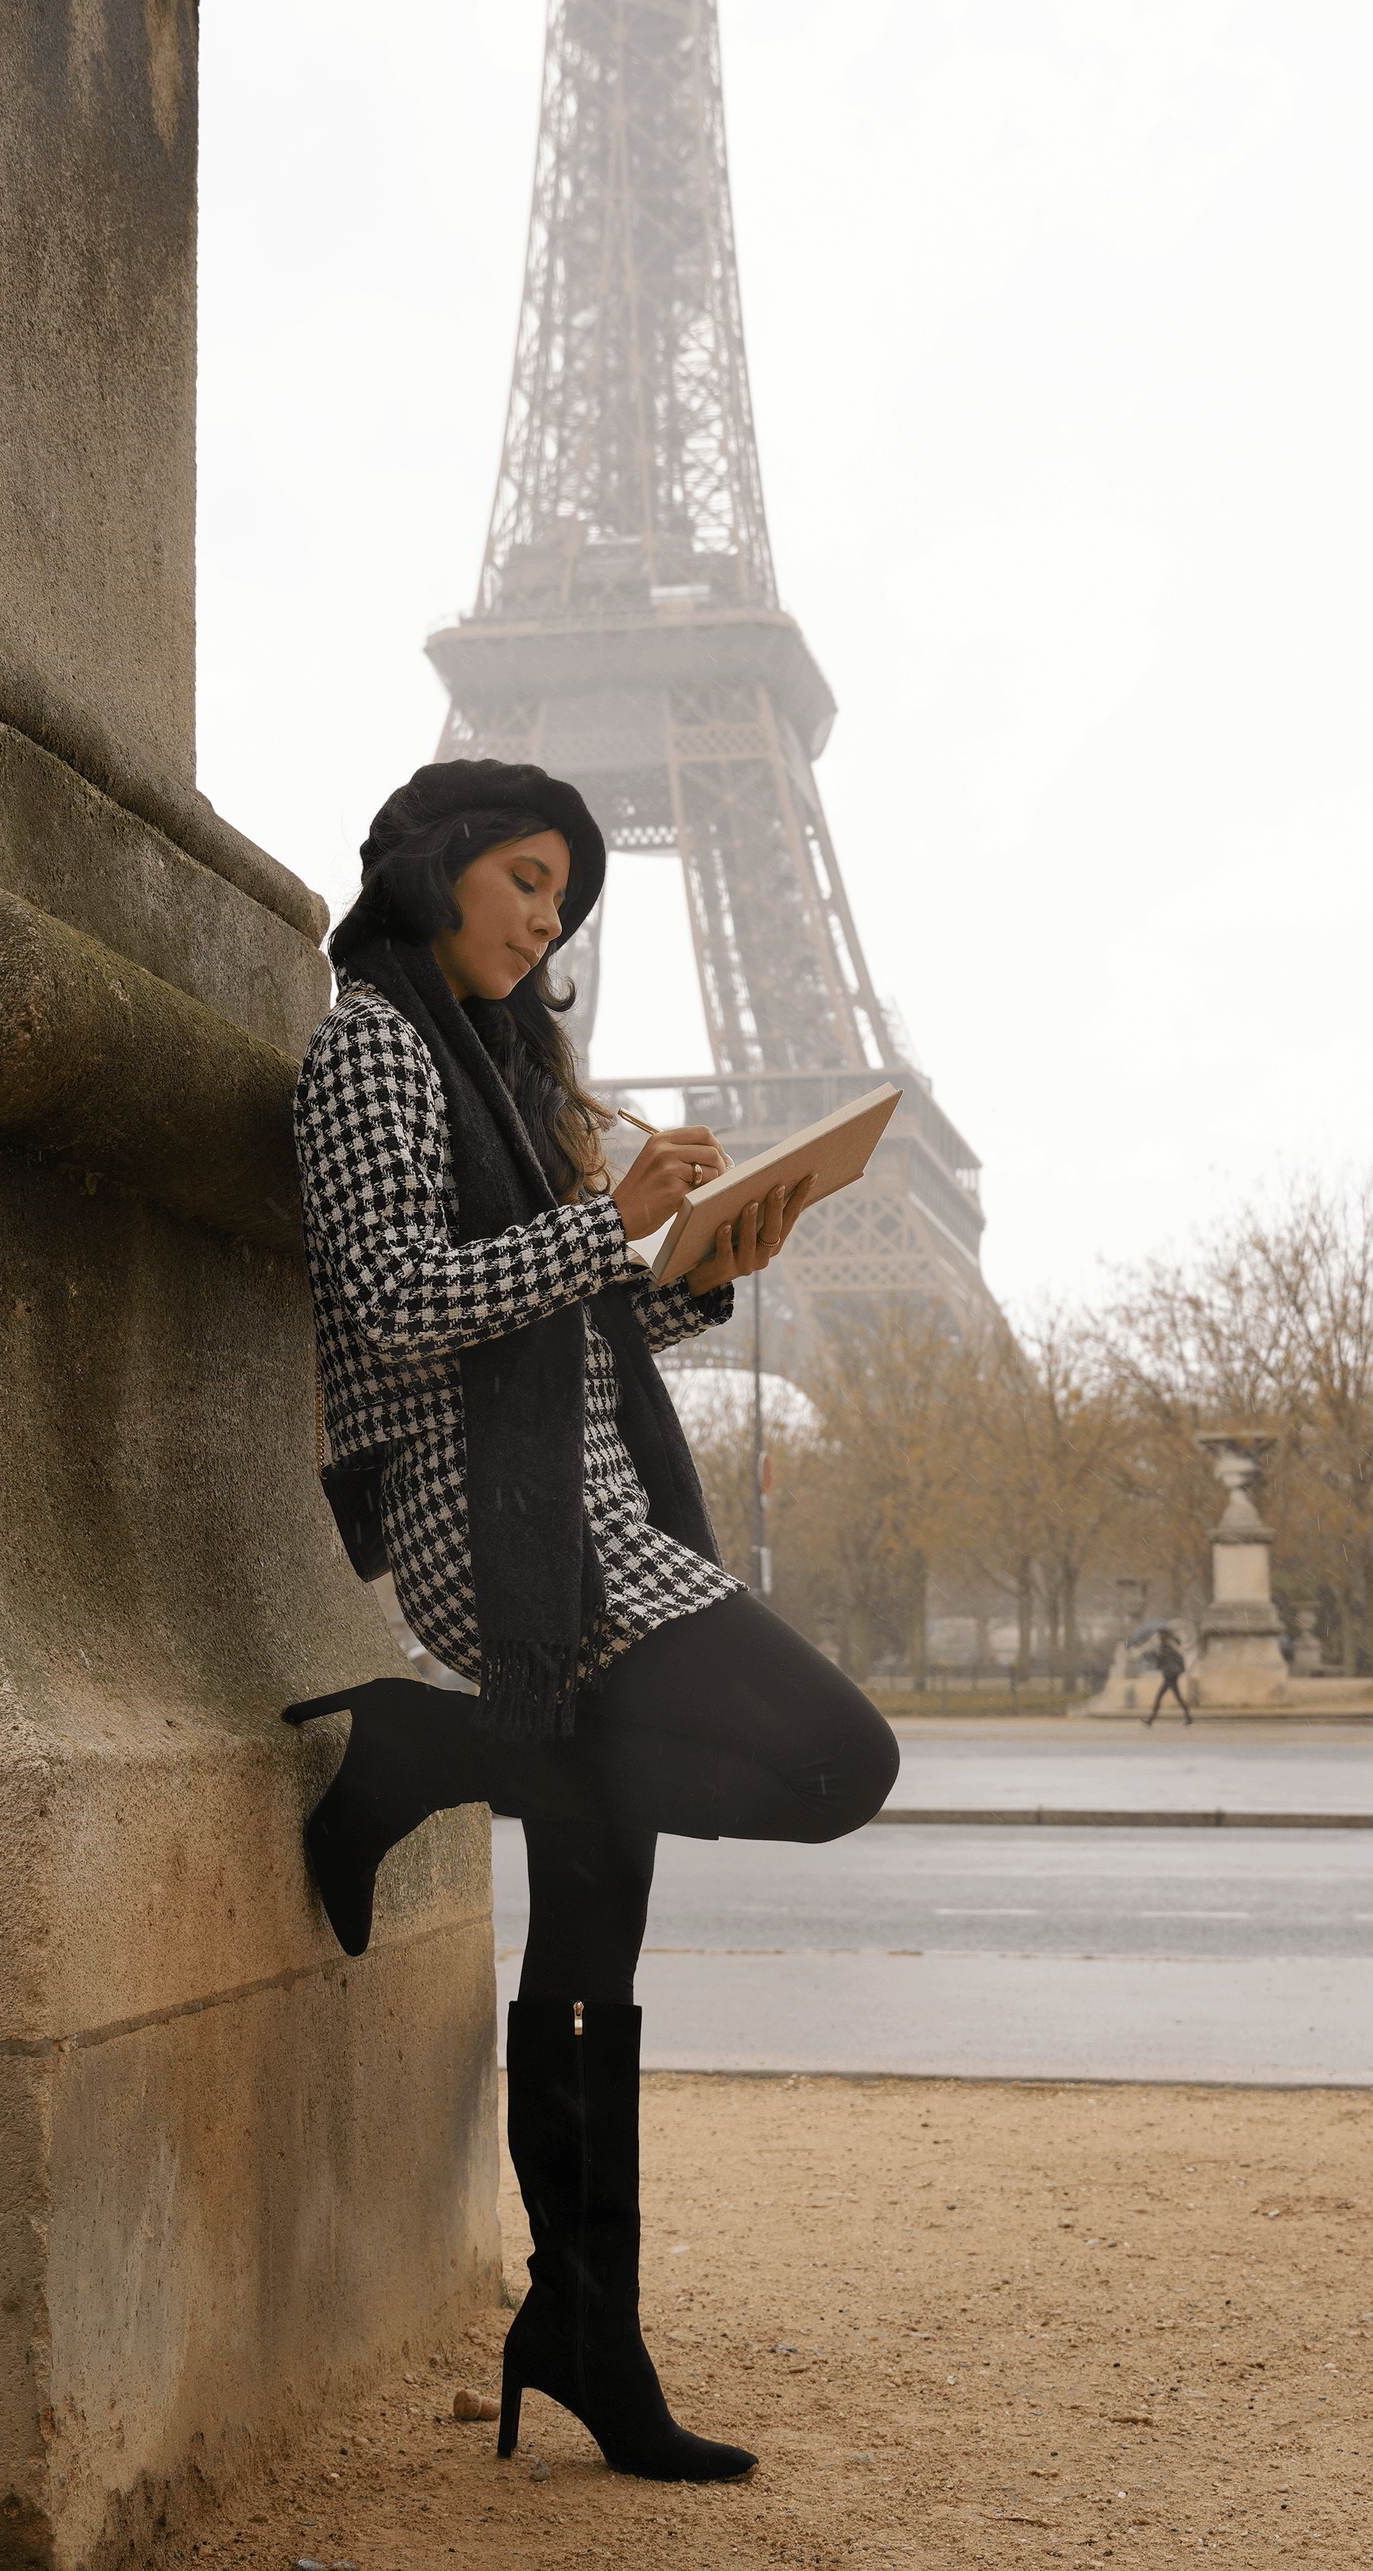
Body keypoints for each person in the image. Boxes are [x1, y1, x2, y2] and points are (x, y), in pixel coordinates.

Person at [285, 760, 898, 2488]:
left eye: (567, 900)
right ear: (443, 865)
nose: (551, 921)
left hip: (587, 1507)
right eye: (531, 880)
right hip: (491, 1521)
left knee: (591, 1923)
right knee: (840, 1758)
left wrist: (699, 1259)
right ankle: (426, 1738)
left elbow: (572, 1316)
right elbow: (394, 1303)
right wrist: (604, 1222)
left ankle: (581, 2322)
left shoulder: (499, 1062)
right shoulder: (370, 1046)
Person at [1143, 1627, 1192, 1726]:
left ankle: (1150, 1720)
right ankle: (1188, 1717)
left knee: (1159, 1697)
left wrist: (1152, 1655)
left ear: (1163, 1636)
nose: (1158, 1638)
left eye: (1159, 1636)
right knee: (1177, 1697)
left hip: (1170, 1675)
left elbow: (1162, 1662)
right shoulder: (1169, 1645)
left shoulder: (1166, 1646)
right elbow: (1165, 1661)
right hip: (1172, 1674)